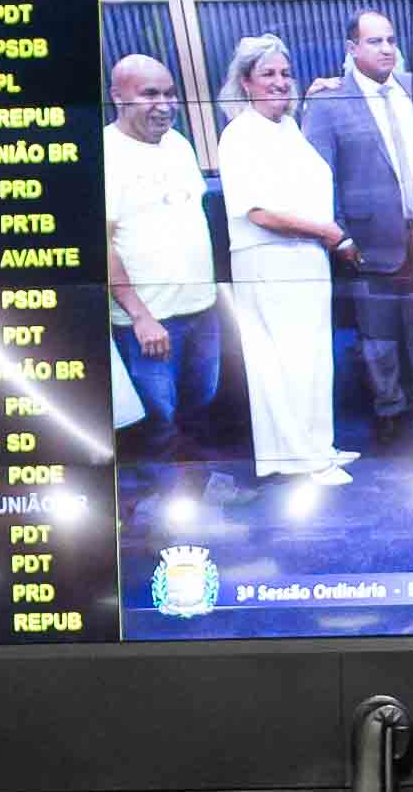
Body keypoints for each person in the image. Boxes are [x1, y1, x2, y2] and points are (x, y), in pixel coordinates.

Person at [211, 35, 348, 486]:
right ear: (246, 81)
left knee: (311, 358)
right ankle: (298, 459)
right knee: (284, 362)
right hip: (269, 261)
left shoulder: (287, 127)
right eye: (268, 73)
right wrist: (326, 232)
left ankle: (318, 446)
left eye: (285, 73)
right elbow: (260, 212)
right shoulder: (239, 136)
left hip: (306, 258)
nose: (279, 82)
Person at [308, 9, 413, 448]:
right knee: (377, 335)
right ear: (351, 50)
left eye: (390, 40)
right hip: (366, 241)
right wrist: (339, 235)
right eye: (374, 42)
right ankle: (389, 408)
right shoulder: (327, 103)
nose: (386, 49)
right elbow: (317, 176)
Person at [103, 51, 225, 462]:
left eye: (170, 94)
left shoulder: (178, 144)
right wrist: (139, 316)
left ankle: (204, 499)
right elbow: (101, 246)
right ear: (118, 97)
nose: (165, 105)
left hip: (201, 312)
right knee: (160, 425)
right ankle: (169, 519)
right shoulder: (104, 154)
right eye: (149, 94)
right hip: (149, 324)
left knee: (198, 411)